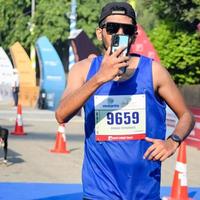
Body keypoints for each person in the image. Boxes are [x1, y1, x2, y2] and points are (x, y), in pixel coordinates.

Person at [55, 2, 195, 200]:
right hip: (99, 192)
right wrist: (99, 78)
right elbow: (61, 115)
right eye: (112, 28)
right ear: (99, 33)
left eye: (127, 29)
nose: (119, 33)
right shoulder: (83, 70)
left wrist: (173, 142)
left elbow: (186, 116)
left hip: (144, 193)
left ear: (134, 35)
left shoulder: (154, 71)